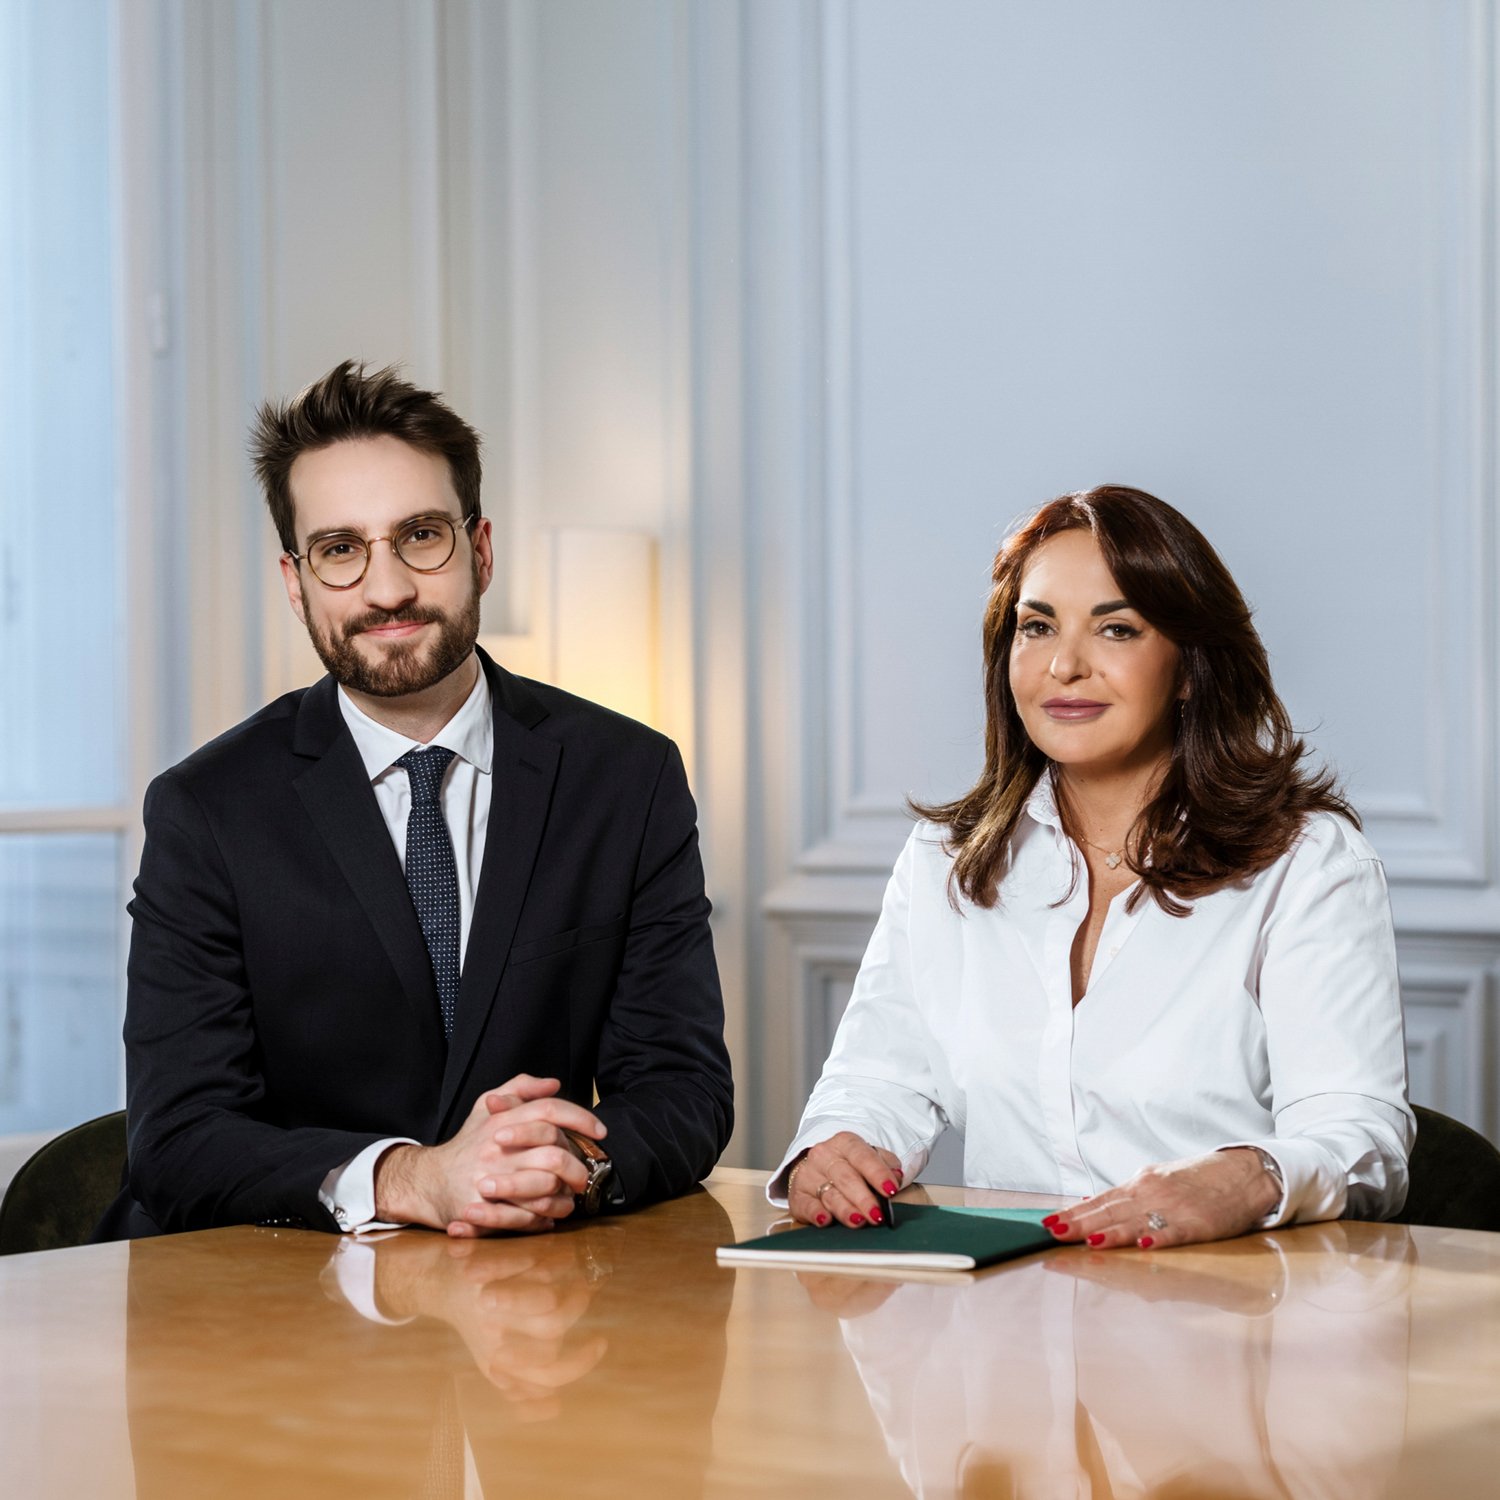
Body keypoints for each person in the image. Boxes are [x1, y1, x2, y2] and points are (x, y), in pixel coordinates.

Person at [98, 360, 733, 1240]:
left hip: (530, 1284)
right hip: (273, 1289)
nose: (388, 588)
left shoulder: (629, 777)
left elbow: (684, 1089)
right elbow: (177, 1140)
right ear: (295, 583)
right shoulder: (205, 810)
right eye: (340, 550)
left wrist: (559, 1169)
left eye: (421, 536)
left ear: (480, 550)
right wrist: (412, 1179)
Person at [773, 485, 1412, 1250]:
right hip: (1007, 1306)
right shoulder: (944, 861)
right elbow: (877, 1082)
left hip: (1228, 1300)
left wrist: (1249, 1178)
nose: (1064, 666)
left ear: (1188, 667)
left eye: (1116, 628)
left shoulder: (1306, 865)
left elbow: (1358, 1135)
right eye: (1037, 627)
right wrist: (839, 1148)